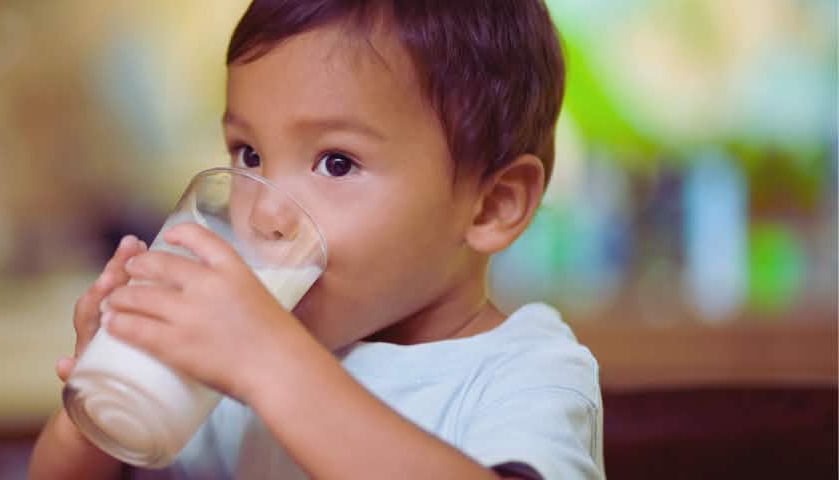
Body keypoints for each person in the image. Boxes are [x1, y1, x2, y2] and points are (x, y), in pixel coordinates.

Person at [30, 0, 603, 478]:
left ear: (492, 205)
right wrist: (100, 399)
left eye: (336, 162)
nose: (265, 213)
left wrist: (271, 365)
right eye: (249, 155)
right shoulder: (237, 360)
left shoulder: (524, 373)